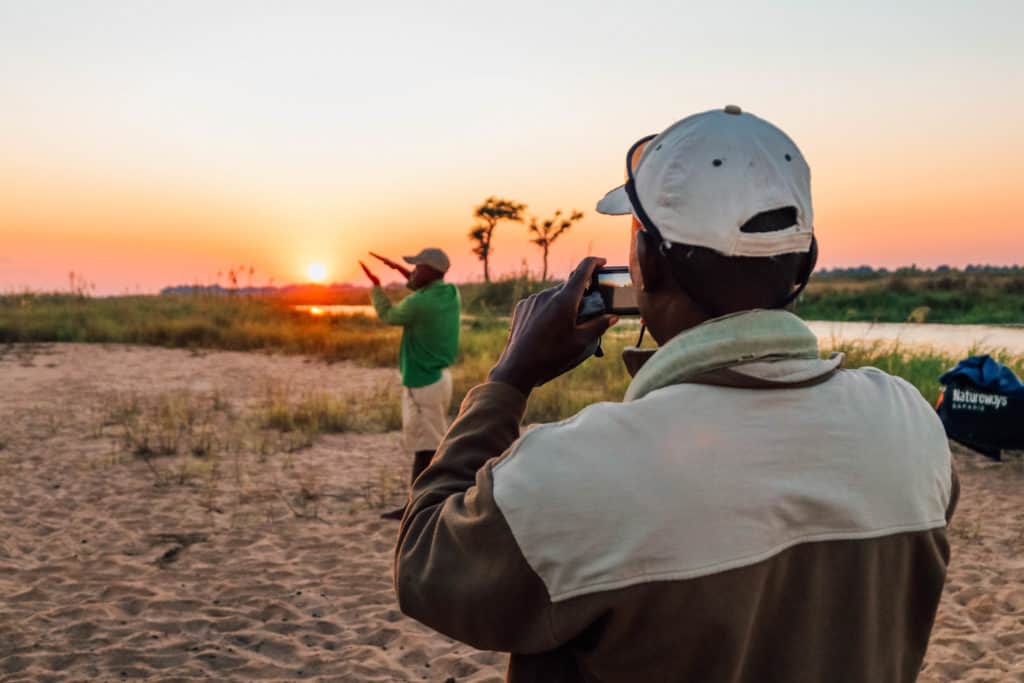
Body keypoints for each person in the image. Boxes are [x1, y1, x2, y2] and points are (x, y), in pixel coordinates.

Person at [392, 106, 958, 681]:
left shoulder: (576, 469)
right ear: (804, 263)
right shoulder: (910, 423)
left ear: (645, 263)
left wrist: (509, 378)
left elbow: (424, 562)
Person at [359, 248, 460, 520]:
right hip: (440, 379)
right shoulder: (450, 293)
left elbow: (389, 315)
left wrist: (377, 287)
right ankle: (430, 501)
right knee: (432, 442)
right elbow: (423, 288)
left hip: (422, 382)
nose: (413, 271)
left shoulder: (419, 304)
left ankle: (415, 509)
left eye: (417, 267)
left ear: (429, 271)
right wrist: (400, 270)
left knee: (424, 448)